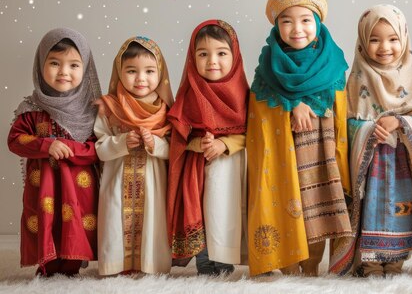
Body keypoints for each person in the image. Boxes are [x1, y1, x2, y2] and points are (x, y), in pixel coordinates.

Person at [246, 0, 352, 276]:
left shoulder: (333, 63)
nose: (297, 29)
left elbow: (342, 108)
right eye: (286, 21)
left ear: (317, 22)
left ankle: (313, 266)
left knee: (317, 204)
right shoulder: (267, 67)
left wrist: (309, 106)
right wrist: (291, 105)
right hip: (284, 158)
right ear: (276, 25)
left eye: (306, 20)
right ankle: (288, 266)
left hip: (321, 154)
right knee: (289, 204)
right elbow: (259, 113)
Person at [329, 5, 412, 277]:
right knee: (371, 210)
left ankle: (396, 261)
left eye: (393, 39)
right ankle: (369, 263)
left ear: (404, 39)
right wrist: (369, 129)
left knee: (401, 211)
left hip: (402, 163)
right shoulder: (356, 78)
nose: (384, 47)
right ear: (363, 42)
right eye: (374, 39)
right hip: (370, 168)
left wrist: (400, 122)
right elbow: (346, 124)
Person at [7, 28, 101, 277]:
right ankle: (47, 266)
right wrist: (47, 145)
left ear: (86, 68)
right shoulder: (31, 109)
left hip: (78, 188)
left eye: (73, 65)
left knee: (74, 224)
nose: (64, 72)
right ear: (40, 65)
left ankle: (71, 265)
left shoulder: (90, 112)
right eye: (55, 63)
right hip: (44, 188)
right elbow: (15, 140)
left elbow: (98, 149)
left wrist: (70, 148)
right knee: (46, 222)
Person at [167, 20, 248, 276]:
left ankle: (224, 262)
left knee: (224, 214)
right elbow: (177, 136)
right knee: (203, 212)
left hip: (231, 166)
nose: (212, 61)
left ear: (234, 57)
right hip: (198, 168)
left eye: (221, 53)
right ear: (193, 58)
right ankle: (204, 264)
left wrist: (225, 143)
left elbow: (254, 133)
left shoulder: (245, 94)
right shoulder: (189, 94)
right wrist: (197, 144)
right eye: (203, 54)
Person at [95, 36, 173, 275]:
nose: (141, 78)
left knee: (153, 222)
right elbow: (98, 146)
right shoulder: (109, 107)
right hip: (117, 182)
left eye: (149, 71)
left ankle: (150, 265)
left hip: (152, 184)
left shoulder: (167, 109)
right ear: (119, 72)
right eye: (131, 71)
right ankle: (115, 265)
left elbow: (175, 150)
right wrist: (121, 142)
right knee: (114, 223)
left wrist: (155, 144)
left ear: (161, 73)